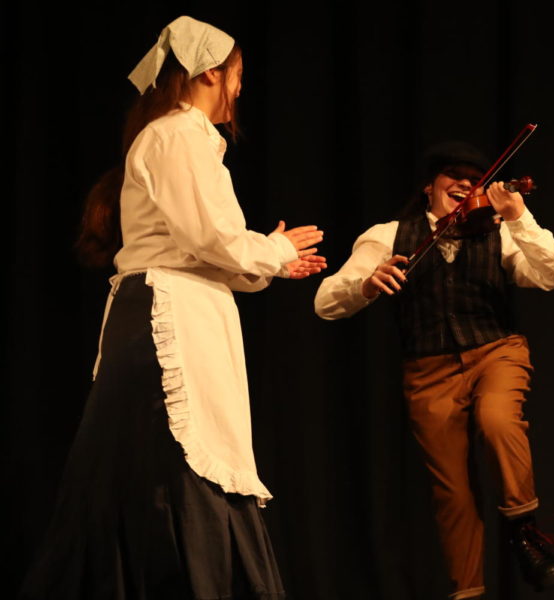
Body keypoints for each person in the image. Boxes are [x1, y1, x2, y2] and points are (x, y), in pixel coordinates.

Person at [19, 16, 326, 600]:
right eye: (238, 76)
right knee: (171, 465)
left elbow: (210, 251)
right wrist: (273, 249)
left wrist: (272, 261)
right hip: (167, 319)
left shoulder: (184, 140)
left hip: (184, 309)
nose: (240, 90)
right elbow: (210, 238)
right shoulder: (177, 135)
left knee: (162, 463)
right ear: (212, 71)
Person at [314, 142, 554, 600]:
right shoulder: (388, 235)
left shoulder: (498, 230)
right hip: (428, 369)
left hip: (495, 351)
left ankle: (524, 531)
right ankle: (467, 593)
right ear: (429, 186)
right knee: (452, 493)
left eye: (476, 177)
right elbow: (326, 303)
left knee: (498, 420)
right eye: (454, 174)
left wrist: (518, 217)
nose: (467, 184)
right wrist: (367, 285)